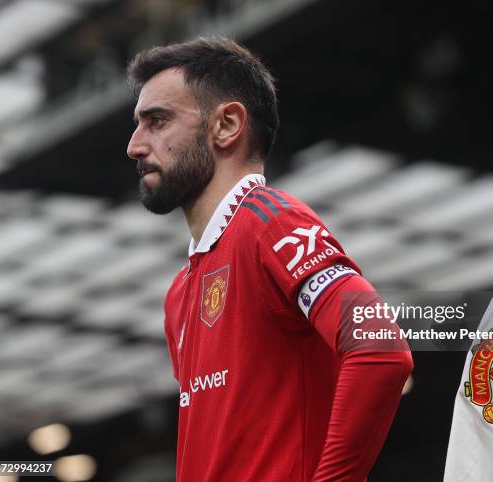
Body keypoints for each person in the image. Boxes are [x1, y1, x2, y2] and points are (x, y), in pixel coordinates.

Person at [126, 37, 413, 482]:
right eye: (138, 124)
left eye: (157, 121)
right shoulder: (180, 293)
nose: (135, 145)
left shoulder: (271, 223)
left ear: (227, 125)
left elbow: (379, 346)